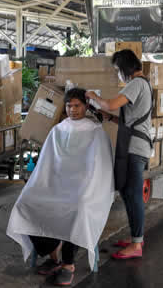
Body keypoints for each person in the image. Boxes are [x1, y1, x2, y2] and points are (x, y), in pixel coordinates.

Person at [7, 89, 114, 286]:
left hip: (84, 189)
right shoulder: (58, 130)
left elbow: (99, 169)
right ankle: (53, 254)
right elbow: (47, 165)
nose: (72, 110)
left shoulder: (96, 131)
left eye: (77, 105)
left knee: (78, 208)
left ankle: (68, 264)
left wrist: (83, 188)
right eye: (69, 106)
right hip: (56, 186)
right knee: (25, 203)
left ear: (86, 106)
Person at [85, 49, 152, 260]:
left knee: (132, 194)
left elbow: (112, 103)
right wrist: (109, 118)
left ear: (125, 68)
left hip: (135, 147)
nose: (118, 75)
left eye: (118, 70)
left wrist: (94, 96)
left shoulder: (137, 83)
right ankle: (136, 237)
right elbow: (127, 120)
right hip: (134, 144)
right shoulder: (142, 84)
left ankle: (137, 244)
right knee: (126, 191)